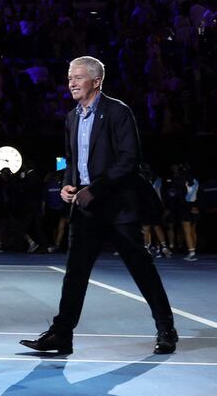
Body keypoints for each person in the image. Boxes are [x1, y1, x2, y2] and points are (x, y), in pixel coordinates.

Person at [20, 56, 178, 356]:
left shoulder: (118, 111)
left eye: (78, 77)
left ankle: (166, 329)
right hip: (86, 208)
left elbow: (129, 160)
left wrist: (95, 188)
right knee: (75, 273)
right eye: (69, 77)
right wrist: (68, 184)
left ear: (96, 80)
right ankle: (61, 334)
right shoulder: (71, 117)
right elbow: (72, 159)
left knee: (141, 268)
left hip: (118, 207)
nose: (71, 82)